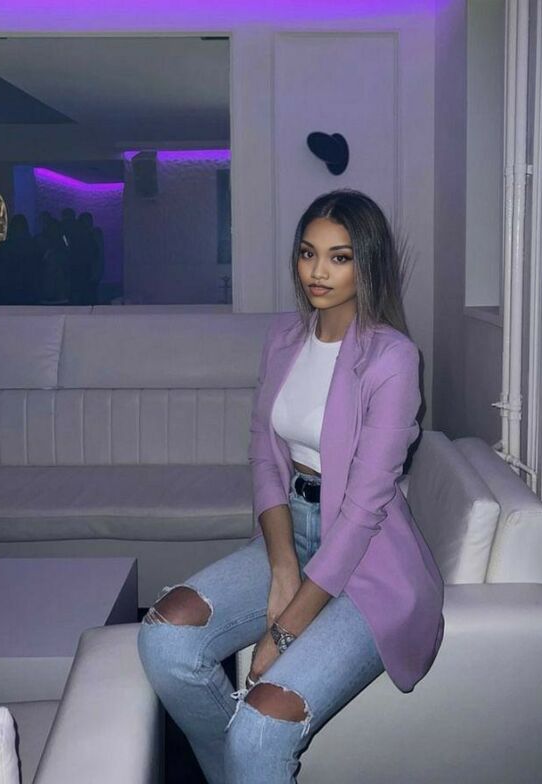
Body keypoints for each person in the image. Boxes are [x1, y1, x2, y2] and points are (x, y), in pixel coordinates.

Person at [137, 189, 445, 784]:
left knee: (260, 728)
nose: (318, 272)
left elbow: (363, 509)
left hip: (369, 559)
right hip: (290, 532)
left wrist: (283, 632)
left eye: (339, 257)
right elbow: (264, 454)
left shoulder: (393, 357)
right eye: (308, 253)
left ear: (367, 263)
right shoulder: (283, 337)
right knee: (164, 640)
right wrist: (282, 566)